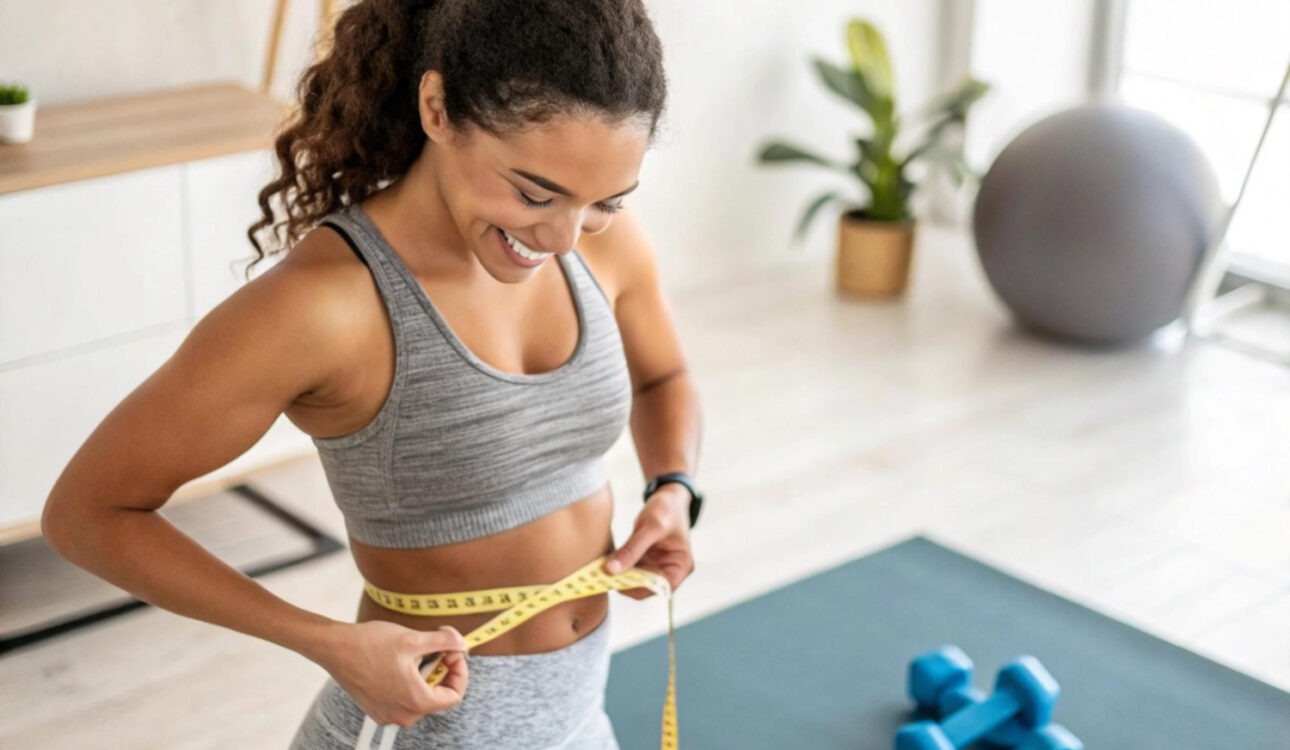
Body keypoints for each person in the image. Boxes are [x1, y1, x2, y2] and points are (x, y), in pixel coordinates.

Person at [40, 0, 702, 747]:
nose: (562, 237)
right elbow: (87, 513)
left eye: (604, 202)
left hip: (579, 716)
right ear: (437, 108)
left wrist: (672, 489)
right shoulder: (324, 307)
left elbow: (662, 377)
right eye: (532, 193)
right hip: (415, 731)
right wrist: (323, 640)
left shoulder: (594, 240)